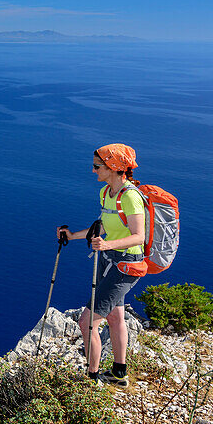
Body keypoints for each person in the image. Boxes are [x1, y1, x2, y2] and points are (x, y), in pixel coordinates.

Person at [57, 143, 147, 387]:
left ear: (115, 167)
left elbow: (139, 236)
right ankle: (119, 374)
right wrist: (72, 235)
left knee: (87, 322)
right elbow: (104, 227)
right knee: (116, 318)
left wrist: (108, 245)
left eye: (97, 166)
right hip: (110, 261)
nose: (93, 170)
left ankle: (91, 380)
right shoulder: (107, 193)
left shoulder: (130, 197)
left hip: (126, 264)